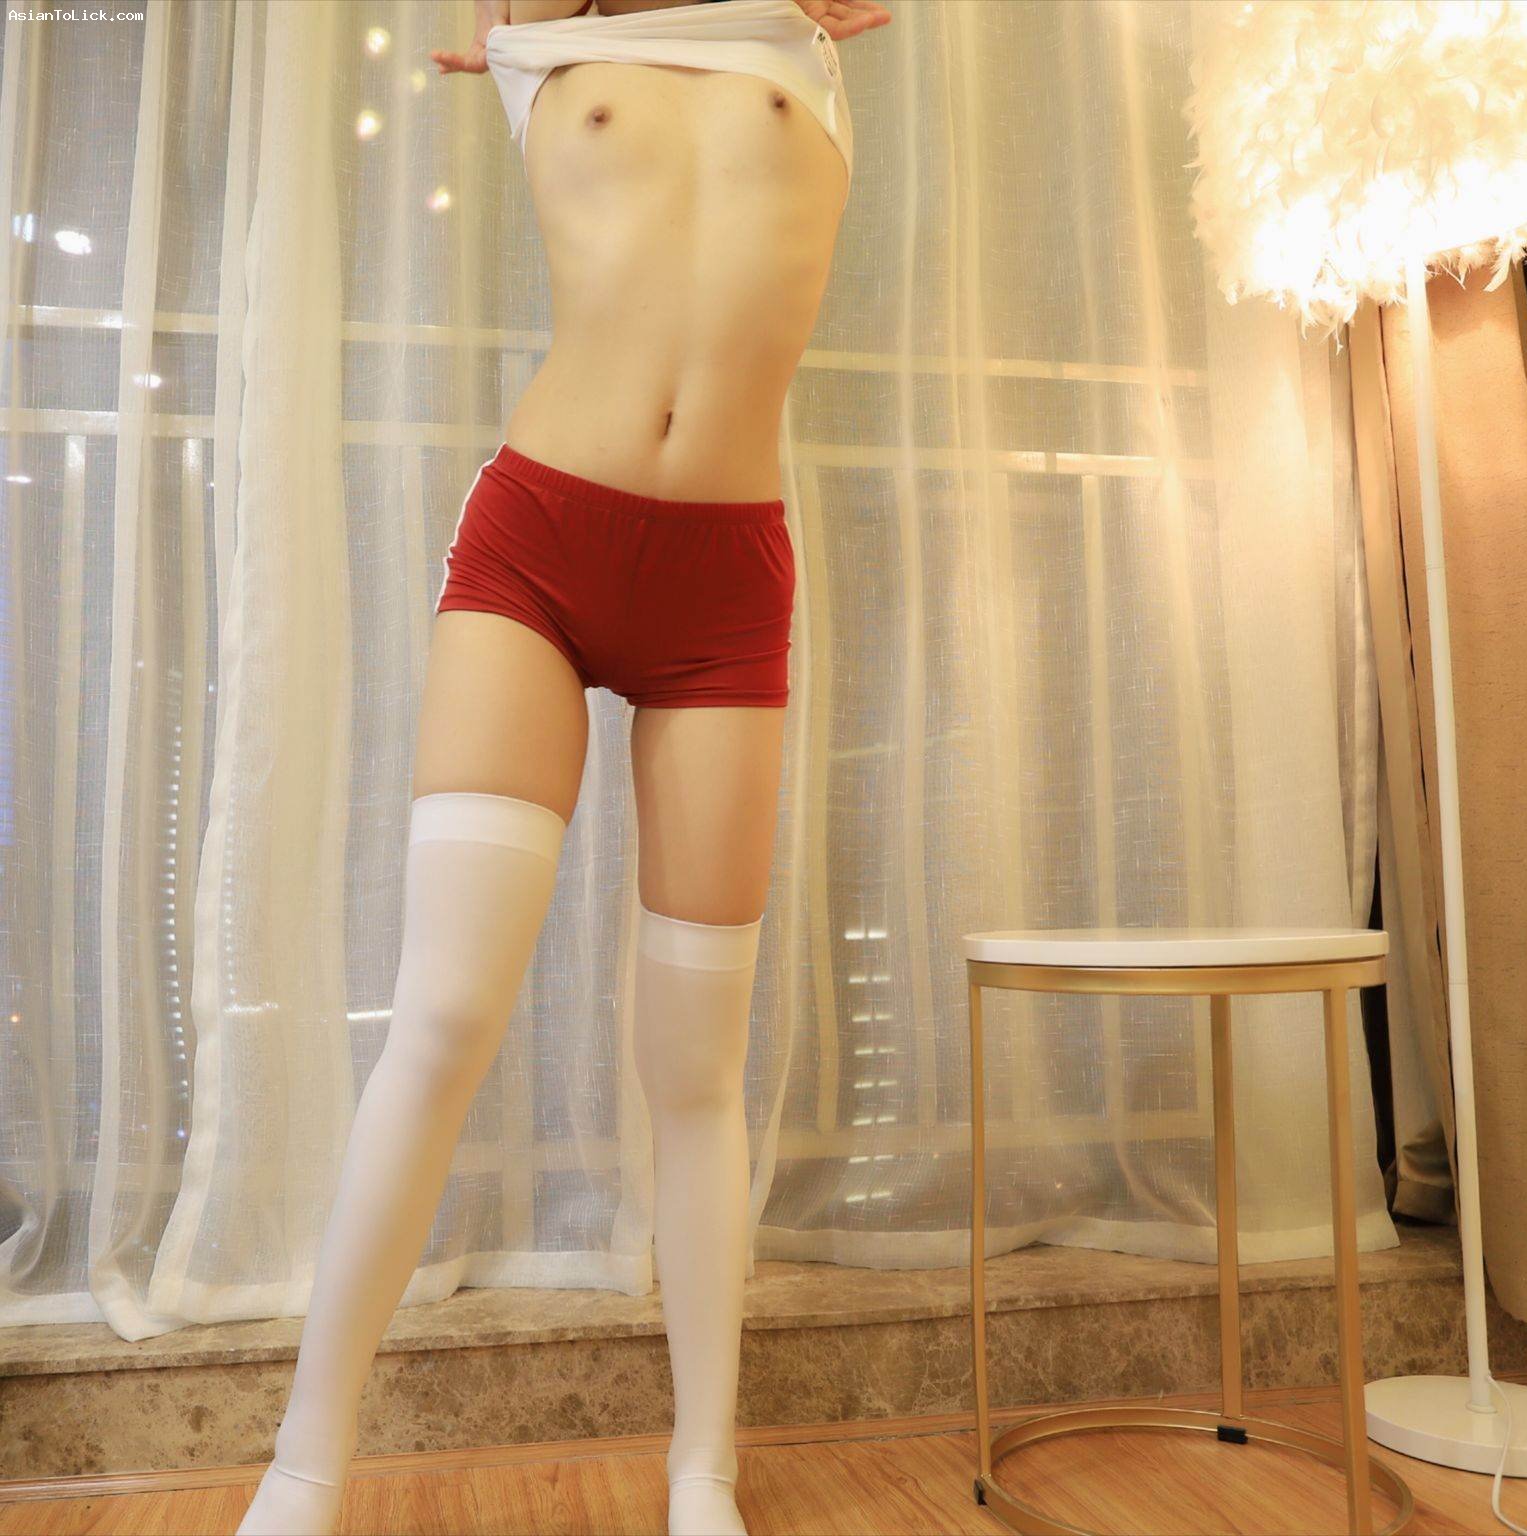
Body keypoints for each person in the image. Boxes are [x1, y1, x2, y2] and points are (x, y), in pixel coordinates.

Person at [237, 0, 886, 1532]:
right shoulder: (538, 37)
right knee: (445, 1015)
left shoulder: (801, 43)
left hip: (727, 585)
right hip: (538, 549)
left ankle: (703, 1471)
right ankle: (303, 1470)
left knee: (696, 1062)